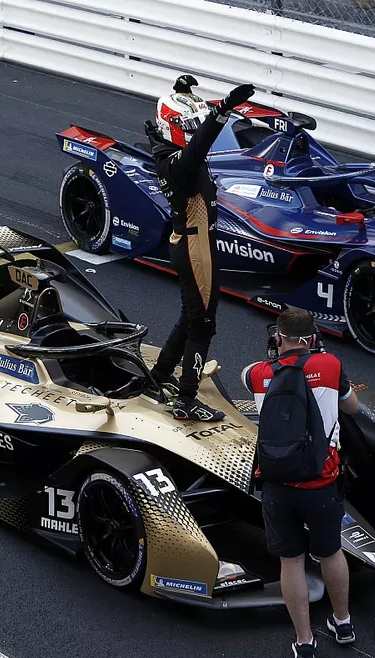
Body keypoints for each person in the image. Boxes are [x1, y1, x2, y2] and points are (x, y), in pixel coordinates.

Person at [241, 308, 359, 658]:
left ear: (278, 338)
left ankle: (305, 642)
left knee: (290, 562)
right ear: (311, 338)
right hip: (321, 481)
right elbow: (351, 407)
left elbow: (245, 373)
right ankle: (343, 623)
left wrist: (274, 354)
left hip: (277, 483)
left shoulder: (261, 375)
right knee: (330, 552)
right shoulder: (332, 366)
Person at [145, 74, 256, 421]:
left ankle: (160, 375)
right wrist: (222, 110)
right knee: (203, 325)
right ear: (171, 127)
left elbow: (188, 131)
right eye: (186, 124)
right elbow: (200, 146)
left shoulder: (169, 150)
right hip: (197, 247)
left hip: (194, 243)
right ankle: (186, 399)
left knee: (190, 316)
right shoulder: (180, 163)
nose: (192, 129)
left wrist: (183, 92)